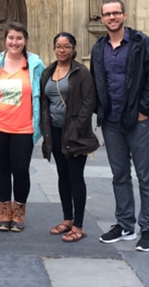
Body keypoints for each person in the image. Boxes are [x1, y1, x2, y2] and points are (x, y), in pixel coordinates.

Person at [90, 0, 149, 252]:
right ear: (102, 18)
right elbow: (97, 81)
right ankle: (124, 224)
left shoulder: (142, 44)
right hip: (111, 121)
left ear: (125, 15)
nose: (112, 17)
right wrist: (99, 114)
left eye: (116, 13)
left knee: (146, 176)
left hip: (138, 121)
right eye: (107, 14)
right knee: (119, 175)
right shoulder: (99, 47)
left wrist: (145, 111)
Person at [0, 21, 45, 232]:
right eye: (11, 38)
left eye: (19, 38)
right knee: (2, 169)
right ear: (5, 39)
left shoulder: (35, 64)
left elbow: (44, 91)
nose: (14, 42)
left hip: (24, 128)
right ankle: (4, 211)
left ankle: (19, 211)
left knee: (20, 170)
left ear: (25, 40)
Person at [40, 32, 98, 242]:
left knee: (75, 177)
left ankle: (79, 225)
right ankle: (67, 219)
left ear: (73, 49)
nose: (62, 50)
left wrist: (75, 127)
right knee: (62, 176)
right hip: (54, 133)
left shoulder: (81, 73)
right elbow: (45, 102)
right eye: (58, 46)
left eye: (66, 46)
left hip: (74, 134)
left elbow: (88, 102)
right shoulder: (48, 71)